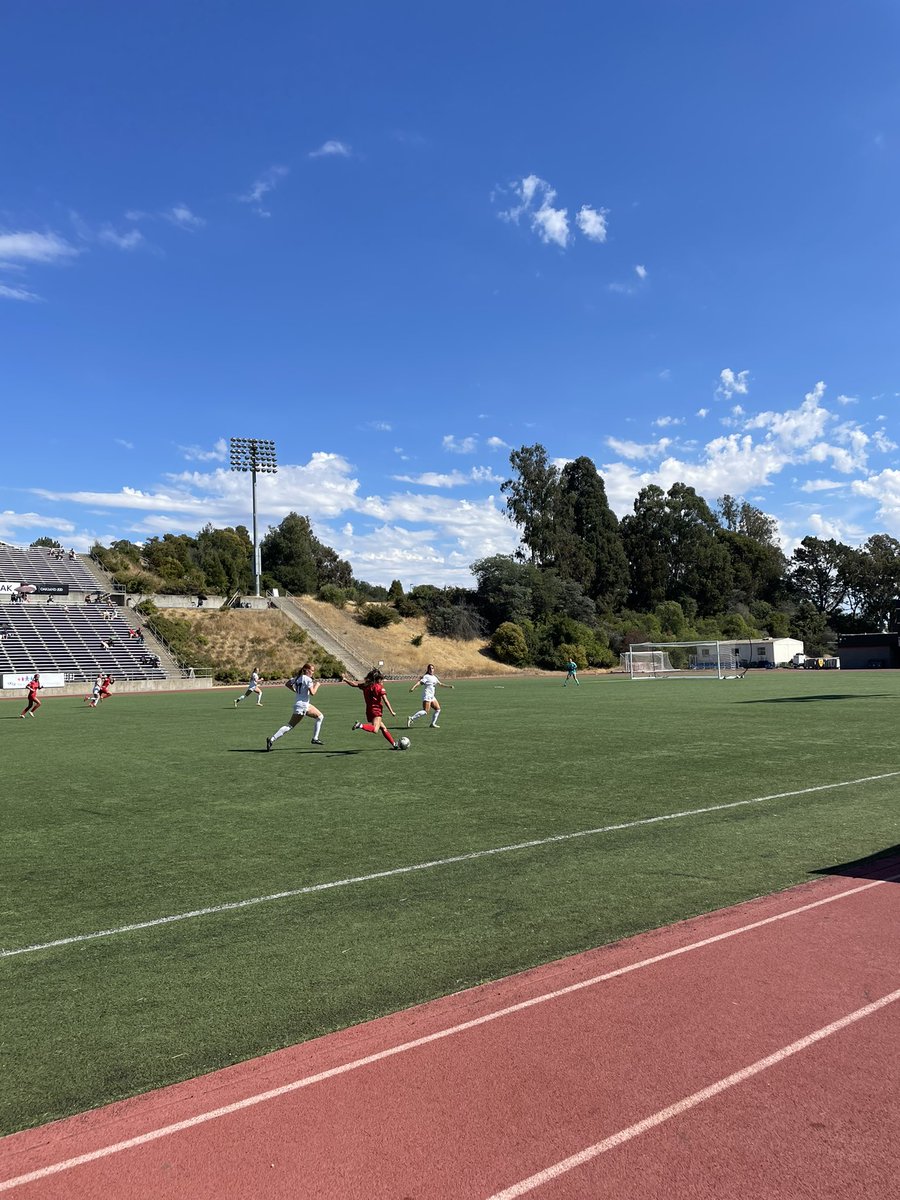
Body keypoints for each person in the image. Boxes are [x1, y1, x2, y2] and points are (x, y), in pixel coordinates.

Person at [266, 663, 325, 750]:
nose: (313, 672)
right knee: (318, 717)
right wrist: (317, 685)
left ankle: (271, 739)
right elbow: (313, 693)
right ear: (307, 670)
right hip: (304, 706)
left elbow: (287, 684)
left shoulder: (297, 678)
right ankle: (314, 739)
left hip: (299, 704)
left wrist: (296, 692)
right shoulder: (308, 679)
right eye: (312, 670)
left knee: (319, 716)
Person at [343, 668, 401, 748]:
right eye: (381, 679)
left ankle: (394, 744)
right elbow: (386, 701)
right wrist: (392, 712)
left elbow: (353, 684)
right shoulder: (379, 687)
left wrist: (345, 679)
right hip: (376, 711)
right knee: (375, 729)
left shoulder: (366, 685)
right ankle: (360, 725)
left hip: (369, 710)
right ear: (378, 679)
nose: (382, 681)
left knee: (383, 728)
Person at [407, 663, 453, 729]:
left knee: (438, 709)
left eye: (432, 668)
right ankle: (411, 718)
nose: (431, 669)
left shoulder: (434, 677)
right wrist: (413, 687)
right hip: (427, 696)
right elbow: (419, 682)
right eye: (430, 668)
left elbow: (440, 684)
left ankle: (433, 724)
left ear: (434, 669)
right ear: (428, 670)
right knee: (426, 711)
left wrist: (448, 686)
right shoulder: (426, 676)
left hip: (432, 696)